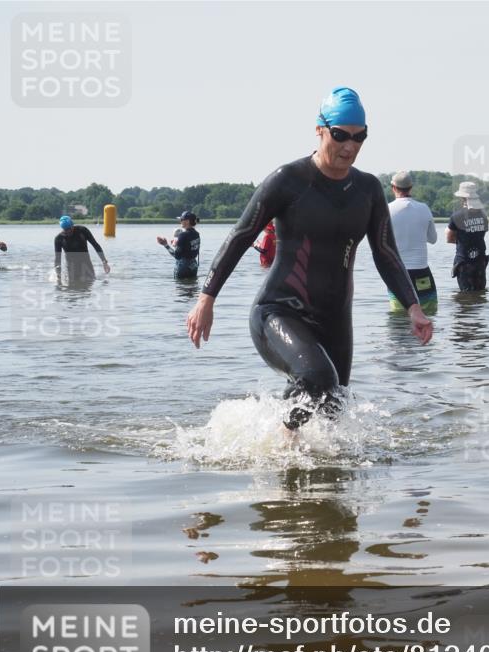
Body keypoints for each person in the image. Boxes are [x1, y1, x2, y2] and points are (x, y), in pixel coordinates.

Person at [185, 86, 432, 430]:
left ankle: (289, 463)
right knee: (318, 379)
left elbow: (386, 254)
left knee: (332, 409)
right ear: (320, 130)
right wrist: (206, 299)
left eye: (359, 138)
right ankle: (280, 444)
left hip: (335, 322)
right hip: (278, 313)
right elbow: (241, 236)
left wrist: (414, 308)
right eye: (340, 135)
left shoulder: (368, 190)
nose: (349, 146)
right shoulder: (289, 180)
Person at [388, 170, 438, 313]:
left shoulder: (386, 209)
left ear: (393, 187)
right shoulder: (424, 208)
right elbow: (433, 239)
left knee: (399, 317)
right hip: (422, 272)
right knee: (428, 314)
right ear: (411, 187)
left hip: (398, 274)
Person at [447, 181, 489, 291]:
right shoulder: (483, 216)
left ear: (463, 198)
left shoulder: (457, 216)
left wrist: (461, 241)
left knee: (465, 295)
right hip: (480, 261)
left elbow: (449, 238)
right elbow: (481, 235)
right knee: (480, 293)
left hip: (464, 262)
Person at [54, 215, 110, 282]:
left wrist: (104, 262)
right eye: (66, 230)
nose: (69, 231)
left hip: (86, 263)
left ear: (72, 225)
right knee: (72, 287)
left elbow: (95, 245)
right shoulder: (59, 239)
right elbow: (57, 258)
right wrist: (58, 275)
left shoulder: (82, 230)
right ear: (63, 229)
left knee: (90, 283)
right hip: (71, 267)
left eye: (70, 229)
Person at [157, 211, 201, 279]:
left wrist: (165, 245)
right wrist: (178, 245)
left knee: (180, 288)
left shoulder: (183, 235)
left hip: (183, 267)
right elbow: (189, 248)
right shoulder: (197, 234)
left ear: (187, 221)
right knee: (192, 287)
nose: (180, 222)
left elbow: (177, 256)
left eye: (181, 220)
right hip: (194, 266)